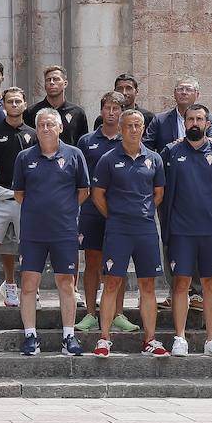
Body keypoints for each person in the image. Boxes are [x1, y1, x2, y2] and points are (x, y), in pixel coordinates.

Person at [12, 109, 89, 356]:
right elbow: (19, 194)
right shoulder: (25, 157)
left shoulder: (75, 154)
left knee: (66, 283)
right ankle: (30, 336)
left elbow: (83, 191)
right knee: (28, 283)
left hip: (64, 231)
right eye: (41, 125)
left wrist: (63, 211)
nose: (45, 128)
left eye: (50, 124)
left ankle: (68, 336)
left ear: (60, 128)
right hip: (33, 232)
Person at [160, 104, 212, 358]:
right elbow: (163, 188)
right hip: (181, 230)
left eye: (199, 119)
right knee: (180, 283)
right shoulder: (170, 152)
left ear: (206, 123)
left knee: (210, 284)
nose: (194, 123)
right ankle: (179, 338)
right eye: (190, 118)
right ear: (184, 122)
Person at [91, 109, 166, 358]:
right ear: (121, 129)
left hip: (145, 229)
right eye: (129, 126)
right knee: (112, 282)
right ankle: (104, 338)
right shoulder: (108, 159)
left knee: (148, 284)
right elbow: (98, 195)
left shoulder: (153, 158)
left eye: (138, 125)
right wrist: (115, 216)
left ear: (143, 128)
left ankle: (150, 340)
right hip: (118, 230)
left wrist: (141, 212)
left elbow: (158, 194)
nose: (134, 130)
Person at [74, 92, 140, 337]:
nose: (111, 112)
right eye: (107, 108)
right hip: (92, 209)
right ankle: (91, 313)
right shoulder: (86, 141)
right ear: (101, 110)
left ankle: (118, 313)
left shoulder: (130, 140)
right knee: (92, 261)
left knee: (118, 264)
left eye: (116, 108)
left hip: (121, 210)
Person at [0, 86, 34, 309]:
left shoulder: (33, 134)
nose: (14, 105)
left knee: (28, 247)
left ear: (24, 104)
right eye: (10, 102)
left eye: (18, 101)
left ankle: (27, 291)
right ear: (3, 105)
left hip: (27, 199)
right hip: (0, 196)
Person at [144, 76, 212, 152]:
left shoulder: (209, 119)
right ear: (174, 93)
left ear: (197, 94)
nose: (184, 92)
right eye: (180, 89)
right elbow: (146, 145)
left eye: (188, 89)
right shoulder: (160, 120)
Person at [24, 65, 89, 145]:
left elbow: (83, 144)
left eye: (56, 79)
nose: (51, 82)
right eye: (48, 80)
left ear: (65, 83)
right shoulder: (31, 112)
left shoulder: (78, 113)